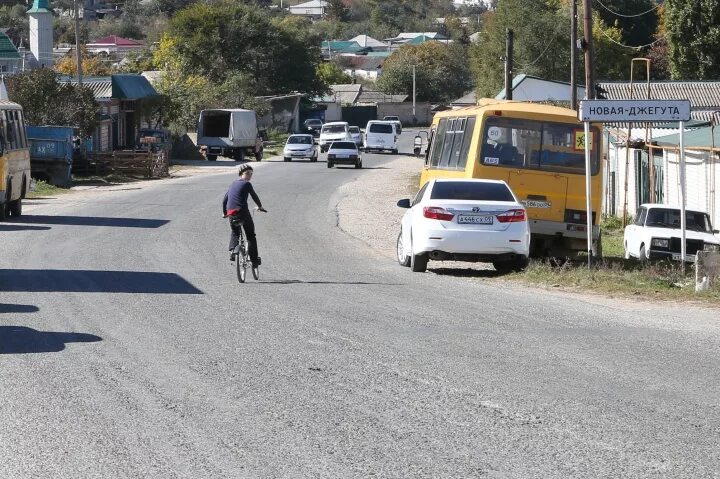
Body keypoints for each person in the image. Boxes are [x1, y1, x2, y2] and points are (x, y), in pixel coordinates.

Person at [222, 164, 267, 265]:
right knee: (251, 236)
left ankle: (233, 250)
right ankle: (254, 260)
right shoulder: (247, 184)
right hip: (242, 212)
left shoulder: (233, 183)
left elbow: (225, 200)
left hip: (231, 213)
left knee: (235, 232)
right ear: (241, 174)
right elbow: (254, 196)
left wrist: (225, 213)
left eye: (251, 174)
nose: (249, 176)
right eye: (247, 173)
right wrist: (260, 206)